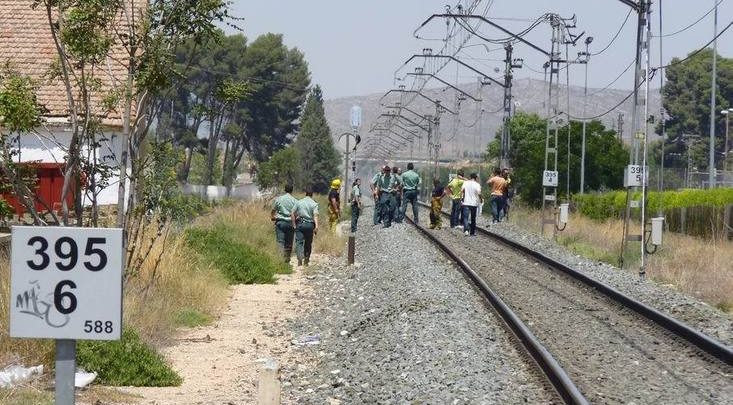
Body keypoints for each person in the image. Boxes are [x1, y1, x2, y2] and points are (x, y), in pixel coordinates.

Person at [291, 188, 319, 266]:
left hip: (300, 224)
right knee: (308, 243)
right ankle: (306, 259)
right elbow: (315, 216)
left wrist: (294, 224)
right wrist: (316, 227)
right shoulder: (314, 204)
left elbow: (292, 213)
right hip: (310, 225)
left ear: (305, 193)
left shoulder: (299, 202)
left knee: (299, 242)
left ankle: (299, 258)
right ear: (312, 194)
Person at [270, 184, 297, 263]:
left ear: (285, 190)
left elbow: (273, 210)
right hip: (290, 223)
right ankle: (287, 259)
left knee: (280, 241)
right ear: (292, 190)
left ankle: (280, 260)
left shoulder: (279, 199)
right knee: (289, 242)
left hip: (280, 223)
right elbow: (296, 213)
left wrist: (272, 217)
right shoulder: (295, 201)